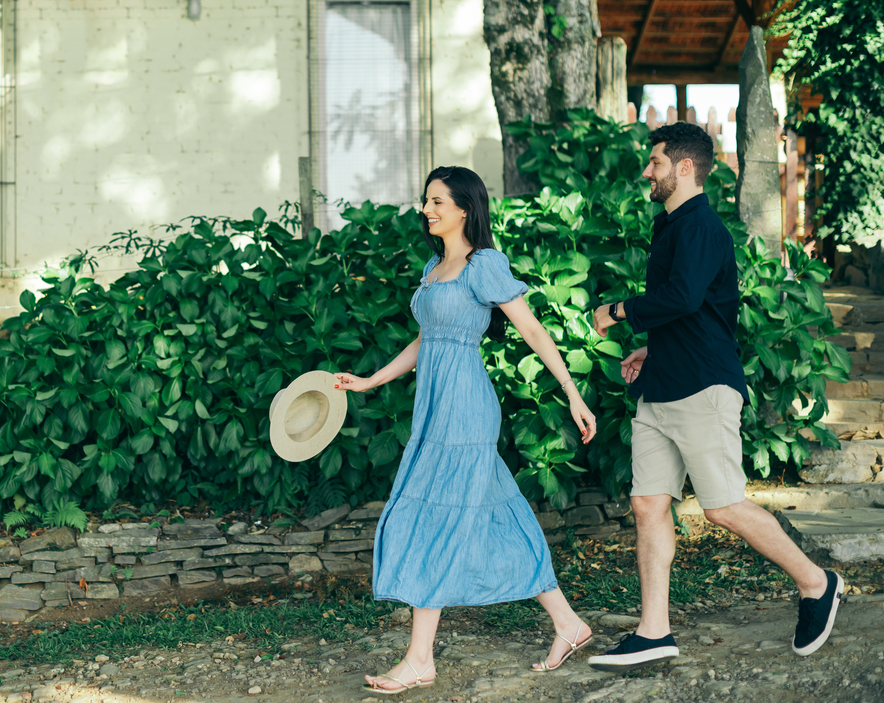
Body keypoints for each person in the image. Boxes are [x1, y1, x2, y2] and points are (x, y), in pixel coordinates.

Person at [588, 122, 843, 671]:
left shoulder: (701, 226)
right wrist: (651, 350)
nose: (646, 171)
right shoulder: (674, 226)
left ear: (683, 168)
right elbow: (702, 310)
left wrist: (619, 311)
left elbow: (679, 297)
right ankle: (654, 631)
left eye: (654, 162)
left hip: (703, 388)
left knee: (724, 507)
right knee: (648, 505)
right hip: (662, 388)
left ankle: (817, 583)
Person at [334, 166, 599, 695]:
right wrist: (370, 381)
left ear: (464, 208)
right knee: (498, 513)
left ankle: (418, 659)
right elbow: (424, 341)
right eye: (426, 200)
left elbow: (531, 329)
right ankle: (569, 624)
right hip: (434, 407)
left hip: (465, 408)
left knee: (431, 518)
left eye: (438, 201)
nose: (427, 209)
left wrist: (572, 392)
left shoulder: (483, 265)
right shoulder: (436, 266)